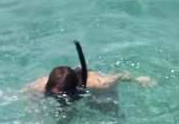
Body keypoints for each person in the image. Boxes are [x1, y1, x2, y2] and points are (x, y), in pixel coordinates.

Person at [23, 40, 153, 103]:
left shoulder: (99, 83)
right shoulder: (41, 85)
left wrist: (138, 80)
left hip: (88, 86)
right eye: (55, 94)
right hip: (72, 85)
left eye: (63, 94)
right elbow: (25, 93)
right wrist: (37, 115)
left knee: (110, 110)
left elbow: (118, 76)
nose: (59, 97)